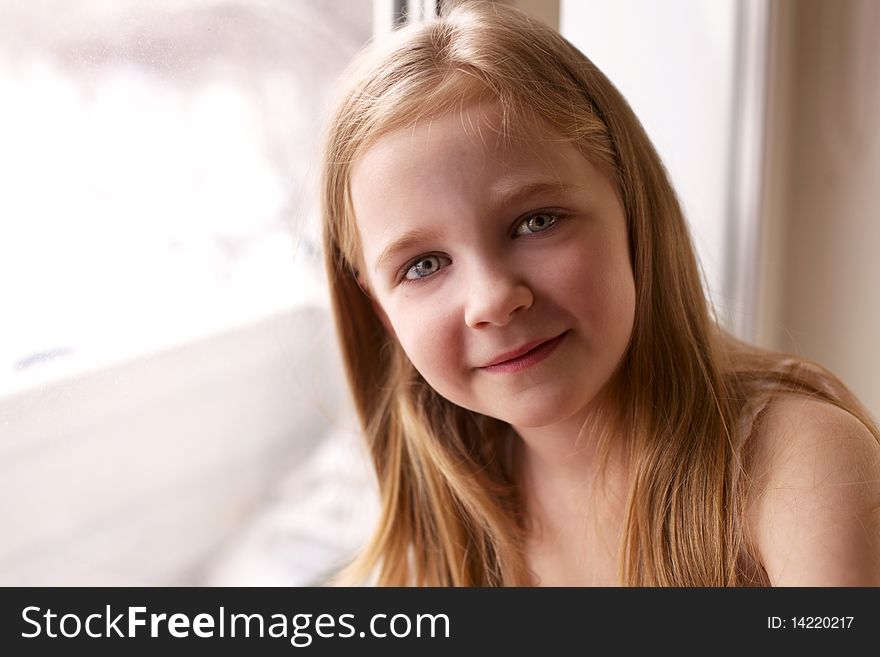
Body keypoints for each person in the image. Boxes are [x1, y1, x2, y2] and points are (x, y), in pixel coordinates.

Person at [319, 1, 880, 586]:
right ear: (380, 309)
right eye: (424, 265)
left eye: (536, 222)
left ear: (633, 211)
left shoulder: (796, 463)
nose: (491, 300)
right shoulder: (442, 526)